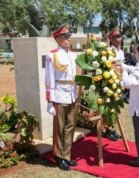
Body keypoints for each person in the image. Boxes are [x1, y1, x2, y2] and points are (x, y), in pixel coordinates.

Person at [45, 24, 77, 171]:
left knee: (70, 127)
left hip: (72, 95)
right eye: (65, 36)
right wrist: (49, 101)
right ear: (58, 39)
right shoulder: (52, 55)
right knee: (59, 129)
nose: (68, 39)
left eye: (68, 36)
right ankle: (59, 157)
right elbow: (49, 79)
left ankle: (67, 155)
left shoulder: (72, 54)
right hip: (59, 95)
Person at [102, 27, 125, 141]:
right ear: (111, 39)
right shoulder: (109, 50)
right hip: (111, 81)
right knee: (108, 105)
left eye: (120, 36)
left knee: (115, 106)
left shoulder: (121, 51)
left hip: (119, 81)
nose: (120, 38)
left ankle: (112, 127)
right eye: (117, 37)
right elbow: (109, 65)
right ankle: (107, 129)